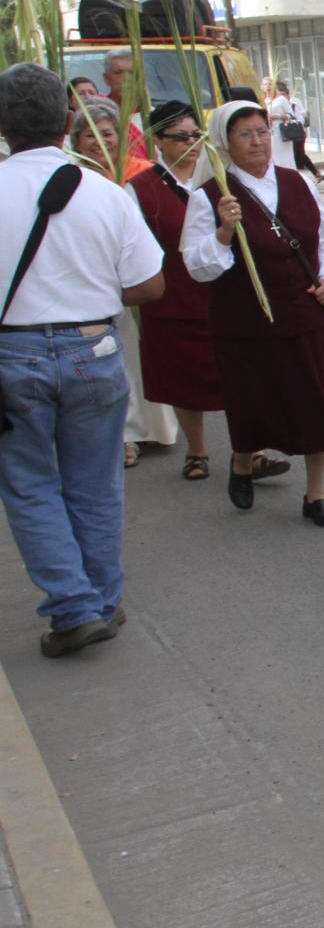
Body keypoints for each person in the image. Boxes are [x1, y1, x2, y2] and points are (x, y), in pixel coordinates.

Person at [0, 62, 165, 658]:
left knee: (28, 484)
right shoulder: (102, 190)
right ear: (68, 121)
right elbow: (149, 284)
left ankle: (73, 608)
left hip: (12, 352)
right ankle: (101, 599)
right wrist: (89, 291)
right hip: (93, 347)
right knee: (95, 486)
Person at [180, 101, 324, 526]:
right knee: (252, 402)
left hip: (304, 316)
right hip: (244, 324)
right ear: (225, 143)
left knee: (315, 404)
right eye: (245, 135)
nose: (257, 142)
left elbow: (323, 240)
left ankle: (315, 494)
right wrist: (223, 231)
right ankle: (242, 461)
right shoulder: (211, 197)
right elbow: (197, 267)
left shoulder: (298, 182)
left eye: (262, 132)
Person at [122, 101, 291, 487]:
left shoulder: (222, 178)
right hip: (173, 298)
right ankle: (196, 450)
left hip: (227, 294)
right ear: (158, 142)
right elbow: (135, 246)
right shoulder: (141, 188)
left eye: (195, 135)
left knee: (242, 376)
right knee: (185, 379)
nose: (190, 144)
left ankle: (251, 451)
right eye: (178, 137)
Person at [68, 98, 177, 468]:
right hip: (92, 277)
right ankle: (124, 434)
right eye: (89, 134)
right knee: (110, 358)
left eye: (108, 133)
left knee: (139, 352)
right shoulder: (71, 176)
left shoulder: (143, 172)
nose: (100, 141)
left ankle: (152, 426)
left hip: (137, 274)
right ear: (76, 140)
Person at [97, 51, 151, 165]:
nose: (127, 78)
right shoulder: (96, 115)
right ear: (106, 78)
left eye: (132, 73)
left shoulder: (153, 117)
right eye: (118, 72)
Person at [267, 80, 323, 182]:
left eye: (284, 94)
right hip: (276, 134)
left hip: (293, 133)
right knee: (297, 156)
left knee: (299, 155)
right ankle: (312, 173)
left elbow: (298, 118)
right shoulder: (267, 102)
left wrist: (280, 117)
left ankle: (309, 175)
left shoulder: (294, 103)